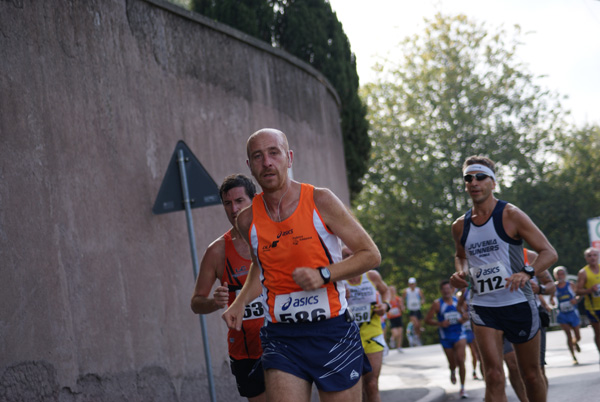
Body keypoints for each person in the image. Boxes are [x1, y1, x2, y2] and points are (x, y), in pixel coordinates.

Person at [222, 128, 381, 402]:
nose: (267, 162)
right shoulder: (247, 220)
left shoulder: (320, 200)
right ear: (250, 166)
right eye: (258, 156)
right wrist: (239, 302)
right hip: (281, 336)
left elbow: (370, 254)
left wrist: (324, 275)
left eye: (274, 153)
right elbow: (260, 266)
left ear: (289, 157)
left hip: (332, 331)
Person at [450, 155, 558, 402]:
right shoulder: (459, 225)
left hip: (518, 303)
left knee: (530, 374)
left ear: (493, 183)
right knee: (494, 375)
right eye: (468, 178)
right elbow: (461, 256)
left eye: (480, 177)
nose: (474, 182)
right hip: (483, 306)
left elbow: (549, 252)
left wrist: (527, 272)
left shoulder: (511, 215)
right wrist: (461, 272)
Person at [190, 174, 266, 402]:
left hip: (282, 342)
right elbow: (196, 302)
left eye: (240, 201)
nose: (234, 209)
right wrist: (214, 302)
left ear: (254, 200)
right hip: (246, 352)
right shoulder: (217, 251)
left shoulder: (274, 237)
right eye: (227, 203)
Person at [343, 247, 390, 402]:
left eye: (352, 254)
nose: (349, 258)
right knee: (357, 385)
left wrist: (385, 306)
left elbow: (386, 291)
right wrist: (339, 296)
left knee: (371, 383)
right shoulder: (337, 280)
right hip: (348, 338)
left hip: (373, 333)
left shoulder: (371, 275)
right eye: (345, 255)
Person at [425, 280, 468, 399]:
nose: (446, 291)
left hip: (460, 334)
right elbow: (427, 320)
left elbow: (467, 315)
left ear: (452, 289)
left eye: (448, 288)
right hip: (446, 337)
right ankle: (453, 371)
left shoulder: (458, 301)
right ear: (441, 291)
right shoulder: (437, 304)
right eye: (444, 289)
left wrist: (463, 319)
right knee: (452, 363)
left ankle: (463, 388)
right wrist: (440, 323)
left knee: (461, 360)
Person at [550, 266, 581, 365]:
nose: (560, 276)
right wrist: (553, 303)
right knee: (568, 334)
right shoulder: (553, 287)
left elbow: (578, 294)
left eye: (562, 274)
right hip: (562, 314)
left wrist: (575, 299)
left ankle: (575, 342)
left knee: (577, 335)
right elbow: (551, 299)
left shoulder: (570, 285)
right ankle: (573, 356)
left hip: (572, 313)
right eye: (558, 274)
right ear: (555, 276)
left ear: (565, 274)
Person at [576, 247, 600, 362]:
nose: (592, 258)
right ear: (586, 258)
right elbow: (578, 291)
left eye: (594, 255)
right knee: (598, 332)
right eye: (589, 256)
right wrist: (590, 290)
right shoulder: (583, 272)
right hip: (593, 308)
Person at [456, 287, 481, 380]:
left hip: (471, 332)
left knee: (474, 353)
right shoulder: (458, 310)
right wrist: (462, 318)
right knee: (462, 356)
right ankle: (458, 370)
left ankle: (474, 371)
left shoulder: (471, 307)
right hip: (462, 333)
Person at [402, 277, 425, 346]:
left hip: (418, 309)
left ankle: (417, 338)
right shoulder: (406, 291)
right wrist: (403, 306)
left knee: (419, 326)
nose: (412, 285)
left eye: (413, 284)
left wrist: (422, 301)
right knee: (416, 324)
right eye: (411, 284)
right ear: (409, 284)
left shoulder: (418, 290)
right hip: (411, 310)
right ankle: (414, 337)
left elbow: (423, 298)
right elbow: (402, 299)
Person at [387, 285, 405, 351]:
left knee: (400, 333)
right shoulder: (387, 300)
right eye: (391, 290)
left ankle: (399, 347)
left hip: (398, 317)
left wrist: (402, 307)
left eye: (393, 290)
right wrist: (388, 312)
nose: (392, 291)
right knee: (395, 333)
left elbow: (402, 308)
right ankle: (392, 339)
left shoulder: (398, 299)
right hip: (392, 318)